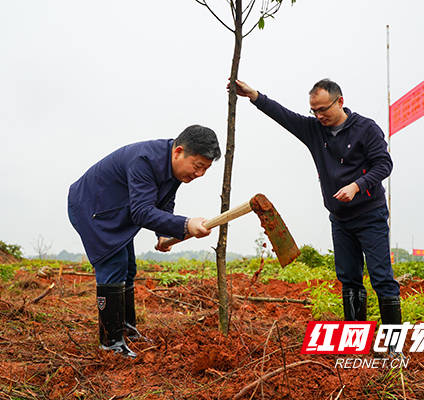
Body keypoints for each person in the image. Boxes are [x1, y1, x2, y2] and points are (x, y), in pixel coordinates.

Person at [233, 78, 402, 353]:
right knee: (348, 278)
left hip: (370, 214)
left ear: (340, 102)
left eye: (324, 109)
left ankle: (393, 347)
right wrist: (254, 96)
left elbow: (384, 164)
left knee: (381, 276)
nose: (319, 116)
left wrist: (357, 186)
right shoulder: (315, 130)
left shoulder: (366, 129)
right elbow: (284, 116)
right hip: (340, 219)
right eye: (314, 110)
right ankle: (356, 342)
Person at [67, 125, 221, 358]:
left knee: (129, 267)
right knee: (114, 263)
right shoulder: (145, 161)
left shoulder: (176, 170)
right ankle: (111, 342)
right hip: (92, 207)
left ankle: (126, 329)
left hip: (118, 210)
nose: (199, 174)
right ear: (178, 152)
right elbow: (141, 212)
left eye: (205, 169)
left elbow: (165, 202)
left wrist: (163, 236)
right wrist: (185, 224)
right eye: (198, 167)